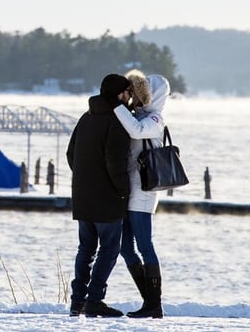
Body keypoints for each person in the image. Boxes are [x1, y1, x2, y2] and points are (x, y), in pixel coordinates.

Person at [65, 73, 133, 317]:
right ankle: (94, 300)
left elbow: (70, 154)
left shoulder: (86, 117)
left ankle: (77, 302)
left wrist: (84, 179)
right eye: (128, 92)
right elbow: (116, 163)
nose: (130, 97)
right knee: (109, 249)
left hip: (83, 197)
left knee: (86, 249)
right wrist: (123, 191)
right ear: (118, 94)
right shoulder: (117, 122)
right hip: (107, 199)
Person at [112, 69, 171, 319]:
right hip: (129, 190)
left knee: (145, 245)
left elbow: (136, 131)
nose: (137, 95)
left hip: (144, 192)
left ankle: (154, 303)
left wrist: (117, 107)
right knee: (125, 248)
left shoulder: (156, 120)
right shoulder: (136, 115)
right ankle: (148, 299)